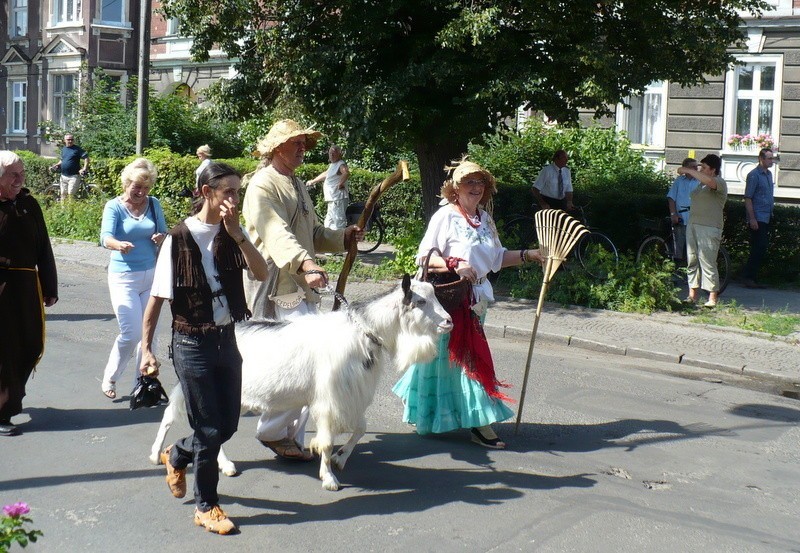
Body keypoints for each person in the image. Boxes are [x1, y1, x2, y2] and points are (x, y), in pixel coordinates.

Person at [140, 162, 268, 535]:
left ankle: (177, 453)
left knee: (227, 423)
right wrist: (146, 349)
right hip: (191, 342)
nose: (234, 198)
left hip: (226, 338)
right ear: (205, 192)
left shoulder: (232, 233)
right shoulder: (178, 238)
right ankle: (206, 505)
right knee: (209, 427)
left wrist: (238, 234)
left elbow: (260, 273)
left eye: (237, 191)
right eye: (227, 191)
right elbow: (157, 300)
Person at [392, 159, 543, 449]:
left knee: (447, 360)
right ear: (456, 189)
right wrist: (454, 262)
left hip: (477, 298)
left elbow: (496, 259)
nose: (476, 188)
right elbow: (422, 257)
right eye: (469, 182)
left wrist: (530, 254)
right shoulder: (445, 217)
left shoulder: (485, 219)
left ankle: (434, 411)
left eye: (480, 183)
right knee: (465, 358)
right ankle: (479, 423)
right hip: (449, 298)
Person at [242, 119, 362, 461]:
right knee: (297, 364)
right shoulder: (264, 185)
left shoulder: (294, 183)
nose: (303, 149)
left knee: (308, 364)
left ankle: (284, 435)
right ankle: (273, 432)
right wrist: (306, 265)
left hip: (297, 284)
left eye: (305, 144)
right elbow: (276, 233)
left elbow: (311, 233)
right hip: (276, 285)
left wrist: (342, 237)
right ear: (277, 148)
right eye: (297, 143)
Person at [0, 151, 58, 437]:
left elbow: (43, 246)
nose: (19, 179)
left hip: (26, 287)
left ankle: (12, 396)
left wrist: (49, 286)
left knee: (31, 344)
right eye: (13, 174)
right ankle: (3, 410)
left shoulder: (29, 204)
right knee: (4, 350)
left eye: (21, 173)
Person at [99, 158, 168, 400]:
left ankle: (144, 382)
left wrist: (161, 237)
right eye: (136, 187)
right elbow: (104, 237)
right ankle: (110, 377)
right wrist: (118, 245)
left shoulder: (153, 204)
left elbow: (164, 231)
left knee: (150, 333)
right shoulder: (114, 207)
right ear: (126, 183)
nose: (141, 192)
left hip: (151, 275)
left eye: (146, 188)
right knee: (131, 333)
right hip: (123, 277)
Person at [676, 154, 727, 308]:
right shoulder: (700, 185)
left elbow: (710, 182)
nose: (701, 170)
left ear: (713, 170)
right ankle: (692, 295)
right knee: (692, 260)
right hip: (693, 225)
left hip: (709, 228)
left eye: (704, 168)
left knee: (707, 261)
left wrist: (690, 170)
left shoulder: (719, 182)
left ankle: (712, 297)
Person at [741, 148, 776, 289]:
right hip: (758, 217)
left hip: (766, 216)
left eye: (772, 158)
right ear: (761, 159)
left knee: (760, 247)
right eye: (769, 158)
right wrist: (752, 218)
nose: (771, 161)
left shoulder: (768, 175)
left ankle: (751, 276)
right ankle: (748, 277)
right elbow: (748, 198)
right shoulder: (754, 175)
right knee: (758, 246)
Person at [306, 144, 351, 229]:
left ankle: (340, 241)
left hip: (337, 198)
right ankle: (330, 241)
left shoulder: (341, 164)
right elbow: (326, 174)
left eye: (334, 153)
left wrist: (340, 184)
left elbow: (346, 173)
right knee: (329, 222)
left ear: (339, 154)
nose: (331, 155)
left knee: (338, 222)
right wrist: (313, 181)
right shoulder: (333, 165)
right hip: (332, 198)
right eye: (330, 153)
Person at [666, 158, 701, 260]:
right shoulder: (679, 181)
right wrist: (673, 214)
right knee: (679, 246)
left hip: (695, 217)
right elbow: (671, 198)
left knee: (693, 247)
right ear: (686, 169)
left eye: (696, 166)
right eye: (693, 167)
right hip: (681, 217)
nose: (696, 169)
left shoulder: (700, 182)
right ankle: (677, 268)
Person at [50, 134, 89, 201]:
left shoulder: (77, 149)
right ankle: (63, 210)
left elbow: (86, 158)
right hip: (63, 176)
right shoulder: (64, 149)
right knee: (63, 194)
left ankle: (70, 210)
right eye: (68, 139)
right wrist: (56, 165)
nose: (70, 141)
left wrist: (84, 168)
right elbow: (62, 160)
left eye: (72, 139)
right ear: (64, 140)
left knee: (70, 194)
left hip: (74, 176)